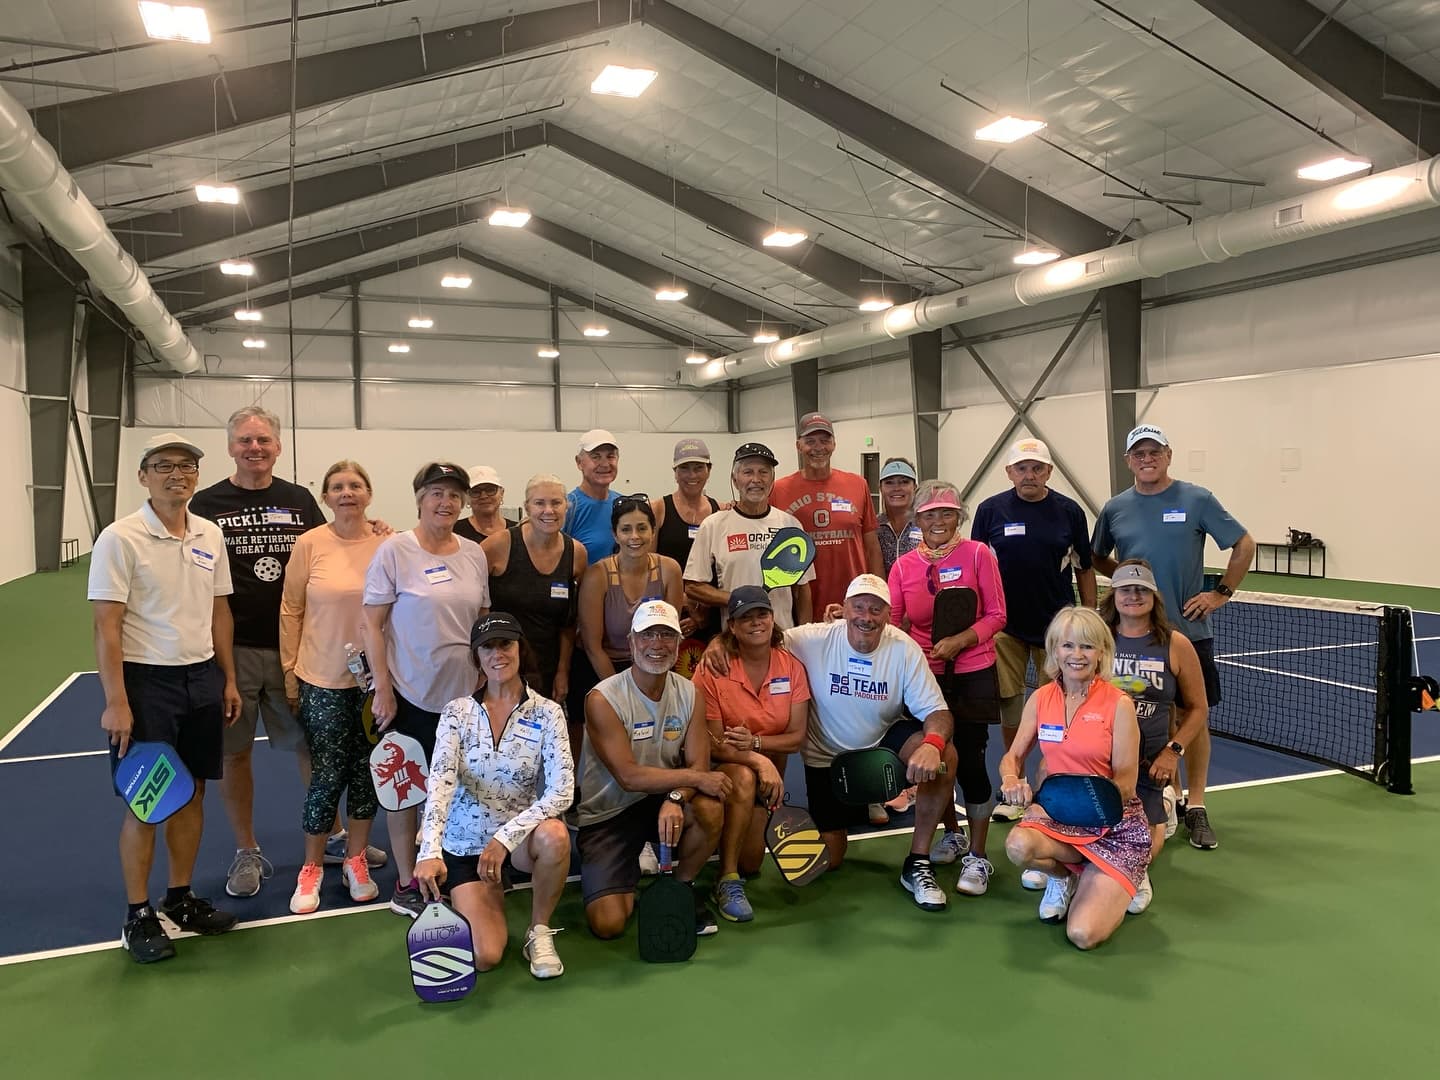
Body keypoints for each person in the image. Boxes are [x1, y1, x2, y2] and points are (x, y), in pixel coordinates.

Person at [708, 574, 959, 912]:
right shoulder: (812, 639)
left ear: (888, 614)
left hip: (880, 748)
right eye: (859, 607)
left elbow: (938, 712)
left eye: (876, 609)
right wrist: (719, 642)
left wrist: (932, 743)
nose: (866, 617)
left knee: (944, 755)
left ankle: (918, 860)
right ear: (844, 609)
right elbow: (759, 635)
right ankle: (853, 814)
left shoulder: (903, 648)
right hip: (826, 760)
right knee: (832, 856)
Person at [89, 433, 241, 963]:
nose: (177, 474)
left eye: (186, 466)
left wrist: (227, 678)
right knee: (148, 800)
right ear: (143, 476)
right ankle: (137, 914)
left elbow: (220, 611)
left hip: (201, 679)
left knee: (193, 791)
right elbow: (106, 626)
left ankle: (179, 897)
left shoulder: (209, 534)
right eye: (163, 466)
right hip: (145, 684)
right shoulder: (120, 538)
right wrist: (116, 700)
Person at [1091, 423, 1255, 850]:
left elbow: (1244, 544)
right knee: (1143, 716)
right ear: (1128, 461)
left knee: (1193, 717)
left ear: (1168, 455)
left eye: (1154, 452)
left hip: (1187, 631)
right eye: (1139, 454)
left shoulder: (1197, 499)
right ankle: (1169, 797)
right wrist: (1128, 578)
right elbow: (1095, 556)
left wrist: (1221, 593)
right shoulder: (1115, 508)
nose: (1147, 459)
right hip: (1131, 634)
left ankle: (1196, 804)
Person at [187, 406, 322, 899]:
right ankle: (247, 849)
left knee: (311, 747)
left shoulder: (300, 500)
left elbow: (329, 549)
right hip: (232, 652)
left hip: (295, 649)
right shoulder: (205, 503)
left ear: (278, 447)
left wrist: (373, 530)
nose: (254, 448)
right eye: (245, 440)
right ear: (231, 447)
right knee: (236, 752)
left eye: (263, 440)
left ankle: (327, 834)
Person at [414, 613, 574, 979]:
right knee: (485, 956)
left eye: (505, 644)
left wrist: (505, 839)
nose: (497, 654)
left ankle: (539, 931)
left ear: (520, 649)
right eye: (487, 647)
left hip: (517, 845)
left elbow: (563, 791)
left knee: (555, 835)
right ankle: (476, 894)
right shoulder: (456, 713)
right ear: (477, 657)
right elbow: (439, 783)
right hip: (466, 846)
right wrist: (429, 852)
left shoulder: (548, 713)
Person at [364, 462, 490, 917]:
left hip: (464, 697)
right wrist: (383, 688)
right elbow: (372, 625)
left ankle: (448, 870)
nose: (446, 502)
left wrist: (484, 677)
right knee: (407, 792)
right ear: (420, 499)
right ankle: (405, 884)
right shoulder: (395, 550)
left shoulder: (474, 553)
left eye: (454, 495)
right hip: (409, 693)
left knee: (458, 789)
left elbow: (482, 619)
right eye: (437, 493)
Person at [999, 607, 1150, 950]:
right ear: (1055, 650)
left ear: (1101, 653)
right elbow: (1013, 756)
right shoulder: (1041, 699)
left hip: (1111, 822)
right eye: (1068, 645)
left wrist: (1085, 802)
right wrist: (1011, 779)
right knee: (1018, 846)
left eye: (1087, 646)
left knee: (1082, 935)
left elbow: (1126, 784)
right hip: (1060, 814)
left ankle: (1128, 872)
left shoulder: (1119, 705)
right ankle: (1064, 877)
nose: (1076, 655)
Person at [578, 601, 730, 939]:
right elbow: (629, 776)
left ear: (678, 642)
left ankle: (681, 887)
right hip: (609, 814)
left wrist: (676, 797)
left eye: (666, 635)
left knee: (709, 807)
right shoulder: (602, 698)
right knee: (608, 925)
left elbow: (699, 763)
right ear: (631, 642)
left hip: (663, 801)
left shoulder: (690, 693)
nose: (656, 644)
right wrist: (692, 779)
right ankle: (628, 869)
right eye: (647, 635)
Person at [971, 438, 1096, 843]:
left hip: (1058, 632)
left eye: (1037, 468)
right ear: (1009, 472)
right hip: (1004, 627)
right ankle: (1016, 783)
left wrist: (1090, 619)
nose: (1030, 475)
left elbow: (1084, 568)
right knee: (1012, 707)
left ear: (1049, 472)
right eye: (1022, 468)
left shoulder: (1070, 512)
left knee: (1058, 711)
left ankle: (1052, 783)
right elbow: (976, 566)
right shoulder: (990, 510)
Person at [887, 481, 1006, 897]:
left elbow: (997, 615)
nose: (938, 521)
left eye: (947, 513)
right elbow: (894, 622)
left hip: (973, 672)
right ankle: (952, 833)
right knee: (936, 761)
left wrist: (961, 641)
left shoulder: (978, 554)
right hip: (924, 678)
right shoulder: (903, 566)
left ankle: (978, 855)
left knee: (971, 762)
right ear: (916, 519)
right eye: (929, 514)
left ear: (959, 517)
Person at [279, 460, 386, 914]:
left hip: (375, 683)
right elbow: (290, 609)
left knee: (366, 774)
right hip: (320, 679)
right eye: (337, 486)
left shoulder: (388, 543)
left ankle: (355, 861)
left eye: (355, 485)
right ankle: (312, 866)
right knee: (326, 775)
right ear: (325, 497)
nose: (347, 493)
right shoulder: (309, 544)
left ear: (368, 494)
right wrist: (289, 672)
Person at [691, 587, 810, 922]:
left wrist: (756, 745)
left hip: (768, 781)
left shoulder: (791, 667)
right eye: (746, 618)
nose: (756, 623)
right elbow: (713, 742)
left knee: (752, 863)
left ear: (772, 619)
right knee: (743, 776)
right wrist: (758, 761)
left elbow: (796, 738)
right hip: (720, 768)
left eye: (762, 615)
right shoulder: (713, 668)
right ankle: (726, 878)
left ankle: (731, 848)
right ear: (732, 625)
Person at [1099, 560, 1209, 914]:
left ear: (1153, 597)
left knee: (1136, 833)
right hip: (1102, 754)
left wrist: (1173, 752)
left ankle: (1142, 860)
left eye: (1141, 590)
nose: (1133, 596)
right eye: (1125, 589)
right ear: (1113, 595)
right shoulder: (1098, 640)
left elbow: (1198, 709)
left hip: (1152, 760)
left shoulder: (1175, 643)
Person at [483, 474, 587, 714]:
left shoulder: (576, 554)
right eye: (540, 503)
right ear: (527, 507)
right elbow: (475, 607)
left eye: (556, 503)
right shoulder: (498, 546)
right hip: (498, 665)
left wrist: (563, 671)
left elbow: (569, 623)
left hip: (547, 669)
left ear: (566, 506)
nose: (548, 510)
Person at [683, 442, 814, 631]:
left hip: (783, 638)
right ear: (735, 480)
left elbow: (802, 590)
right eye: (748, 472)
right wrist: (738, 599)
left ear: (772, 479)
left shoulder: (790, 524)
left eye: (763, 472)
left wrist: (804, 635)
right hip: (735, 638)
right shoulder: (713, 525)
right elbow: (693, 586)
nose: (756, 479)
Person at [770, 411, 883, 617]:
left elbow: (872, 548)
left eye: (825, 440)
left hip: (854, 604)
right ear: (798, 446)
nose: (818, 447)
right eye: (810, 441)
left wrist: (879, 595)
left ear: (834, 444)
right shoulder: (778, 490)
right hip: (801, 605)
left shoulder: (858, 484)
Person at [578, 496, 686, 682]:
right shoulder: (597, 576)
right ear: (615, 534)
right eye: (626, 529)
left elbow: (670, 636)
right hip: (605, 668)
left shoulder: (670, 570)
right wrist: (619, 691)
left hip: (655, 663)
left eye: (642, 528)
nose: (635, 536)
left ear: (653, 531)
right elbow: (593, 647)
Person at [651, 437, 723, 645]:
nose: (692, 475)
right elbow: (650, 568)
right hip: (671, 612)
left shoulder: (721, 511)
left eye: (698, 468)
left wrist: (702, 612)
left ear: (709, 470)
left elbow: (723, 569)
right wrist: (680, 600)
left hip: (711, 614)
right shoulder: (658, 509)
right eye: (684, 468)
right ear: (675, 472)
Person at [566, 429, 622, 564]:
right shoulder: (567, 507)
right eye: (596, 457)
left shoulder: (623, 504)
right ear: (579, 462)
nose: (605, 464)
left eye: (610, 456)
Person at [876, 457, 922, 576]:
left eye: (904, 482)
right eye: (889, 482)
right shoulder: (873, 527)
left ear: (915, 487)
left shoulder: (926, 524)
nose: (896, 488)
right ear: (880, 488)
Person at [454, 465, 515, 544]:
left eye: (490, 490)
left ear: (501, 493)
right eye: (476, 492)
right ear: (467, 497)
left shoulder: (518, 532)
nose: (484, 496)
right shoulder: (454, 532)